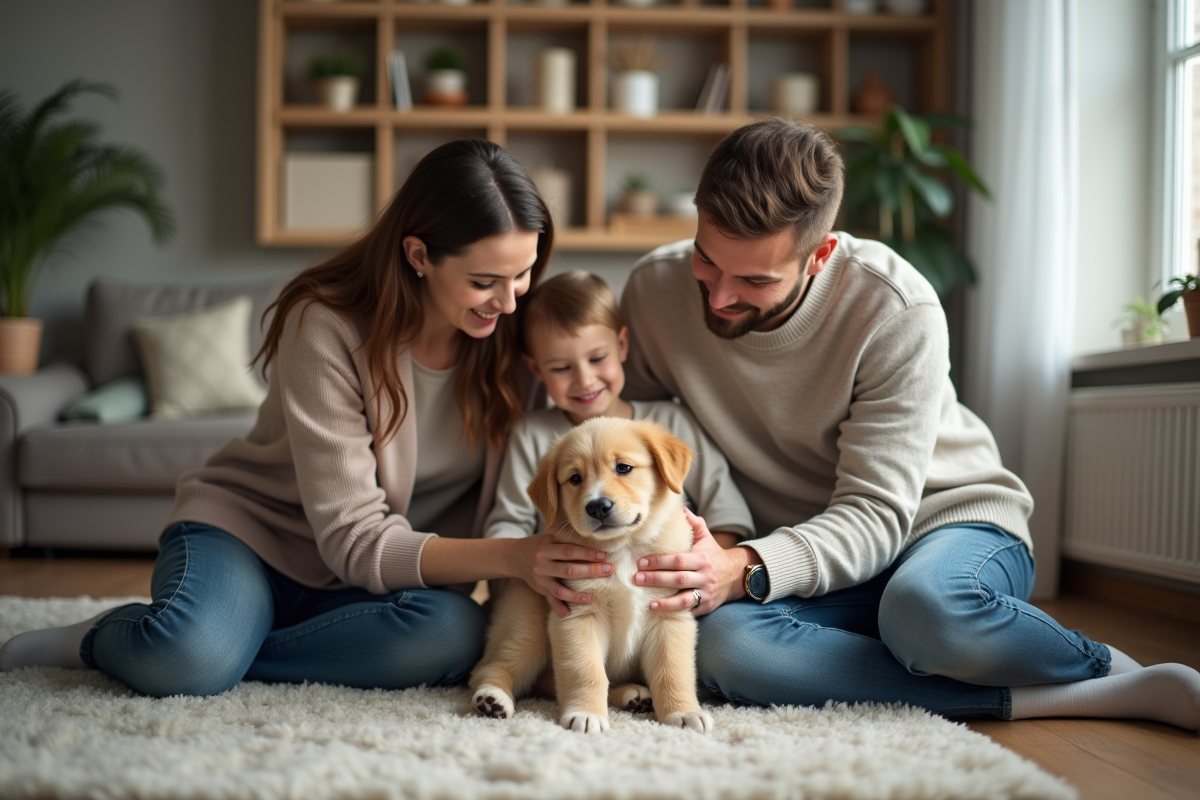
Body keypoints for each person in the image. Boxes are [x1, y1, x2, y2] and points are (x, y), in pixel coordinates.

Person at [617, 118, 1200, 731]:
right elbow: (635, 444)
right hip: (800, 557)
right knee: (723, 647)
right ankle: (1050, 697)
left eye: (755, 280)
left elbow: (875, 515)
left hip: (941, 523)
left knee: (927, 614)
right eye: (707, 261)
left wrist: (743, 567)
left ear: (820, 256)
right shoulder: (654, 291)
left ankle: (1099, 666)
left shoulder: (894, 306)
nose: (718, 298)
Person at [0, 140, 613, 697]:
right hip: (254, 544)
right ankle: (118, 639)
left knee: (454, 635)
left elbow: (615, 399)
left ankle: (227, 647)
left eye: (523, 273)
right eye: (484, 281)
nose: (509, 301)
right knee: (182, 660)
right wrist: (511, 556)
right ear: (419, 255)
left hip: (375, 584)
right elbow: (354, 539)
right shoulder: (326, 326)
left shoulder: (518, 337)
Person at [484, 270, 754, 617]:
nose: (585, 379)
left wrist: (697, 572)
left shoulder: (669, 422)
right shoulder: (531, 435)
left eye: (597, 358)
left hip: (666, 597)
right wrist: (531, 573)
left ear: (622, 345)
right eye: (562, 368)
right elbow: (507, 528)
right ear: (536, 370)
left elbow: (728, 514)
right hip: (576, 604)